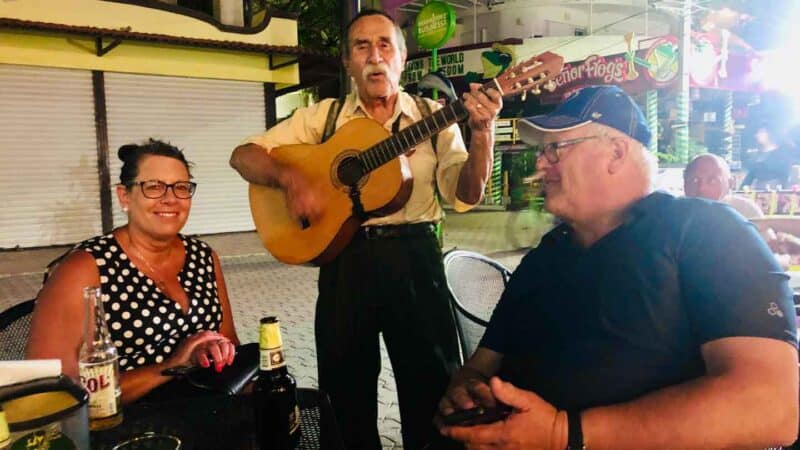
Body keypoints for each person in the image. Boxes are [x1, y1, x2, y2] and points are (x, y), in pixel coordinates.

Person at [437, 85, 798, 449]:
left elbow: (771, 406)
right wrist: (467, 392)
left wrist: (563, 434)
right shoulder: (544, 258)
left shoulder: (705, 231)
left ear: (616, 152)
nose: (540, 163)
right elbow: (481, 365)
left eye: (554, 148)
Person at [229, 9, 502, 449]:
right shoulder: (326, 117)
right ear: (348, 63)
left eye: (384, 45)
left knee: (432, 385)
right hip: (346, 259)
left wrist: (483, 132)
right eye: (361, 47)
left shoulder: (434, 117)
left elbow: (464, 196)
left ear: (402, 57)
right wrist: (290, 178)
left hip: (416, 260)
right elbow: (244, 155)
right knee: (343, 391)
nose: (374, 57)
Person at [27, 139, 240, 404]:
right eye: (154, 187)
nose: (170, 198)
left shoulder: (204, 257)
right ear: (124, 196)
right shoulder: (84, 268)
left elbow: (230, 341)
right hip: (123, 427)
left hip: (209, 410)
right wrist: (171, 366)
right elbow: (53, 390)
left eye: (181, 188)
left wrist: (216, 349)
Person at [683, 153, 764, 219]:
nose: (702, 188)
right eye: (694, 180)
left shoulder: (746, 211)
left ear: (730, 184)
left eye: (712, 181)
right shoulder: (675, 214)